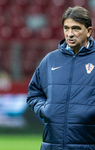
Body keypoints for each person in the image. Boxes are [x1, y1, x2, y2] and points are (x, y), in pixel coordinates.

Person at [27, 6, 95, 150]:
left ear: (89, 31)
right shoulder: (50, 60)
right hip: (52, 145)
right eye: (66, 28)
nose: (70, 34)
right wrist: (46, 110)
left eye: (76, 28)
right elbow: (34, 93)